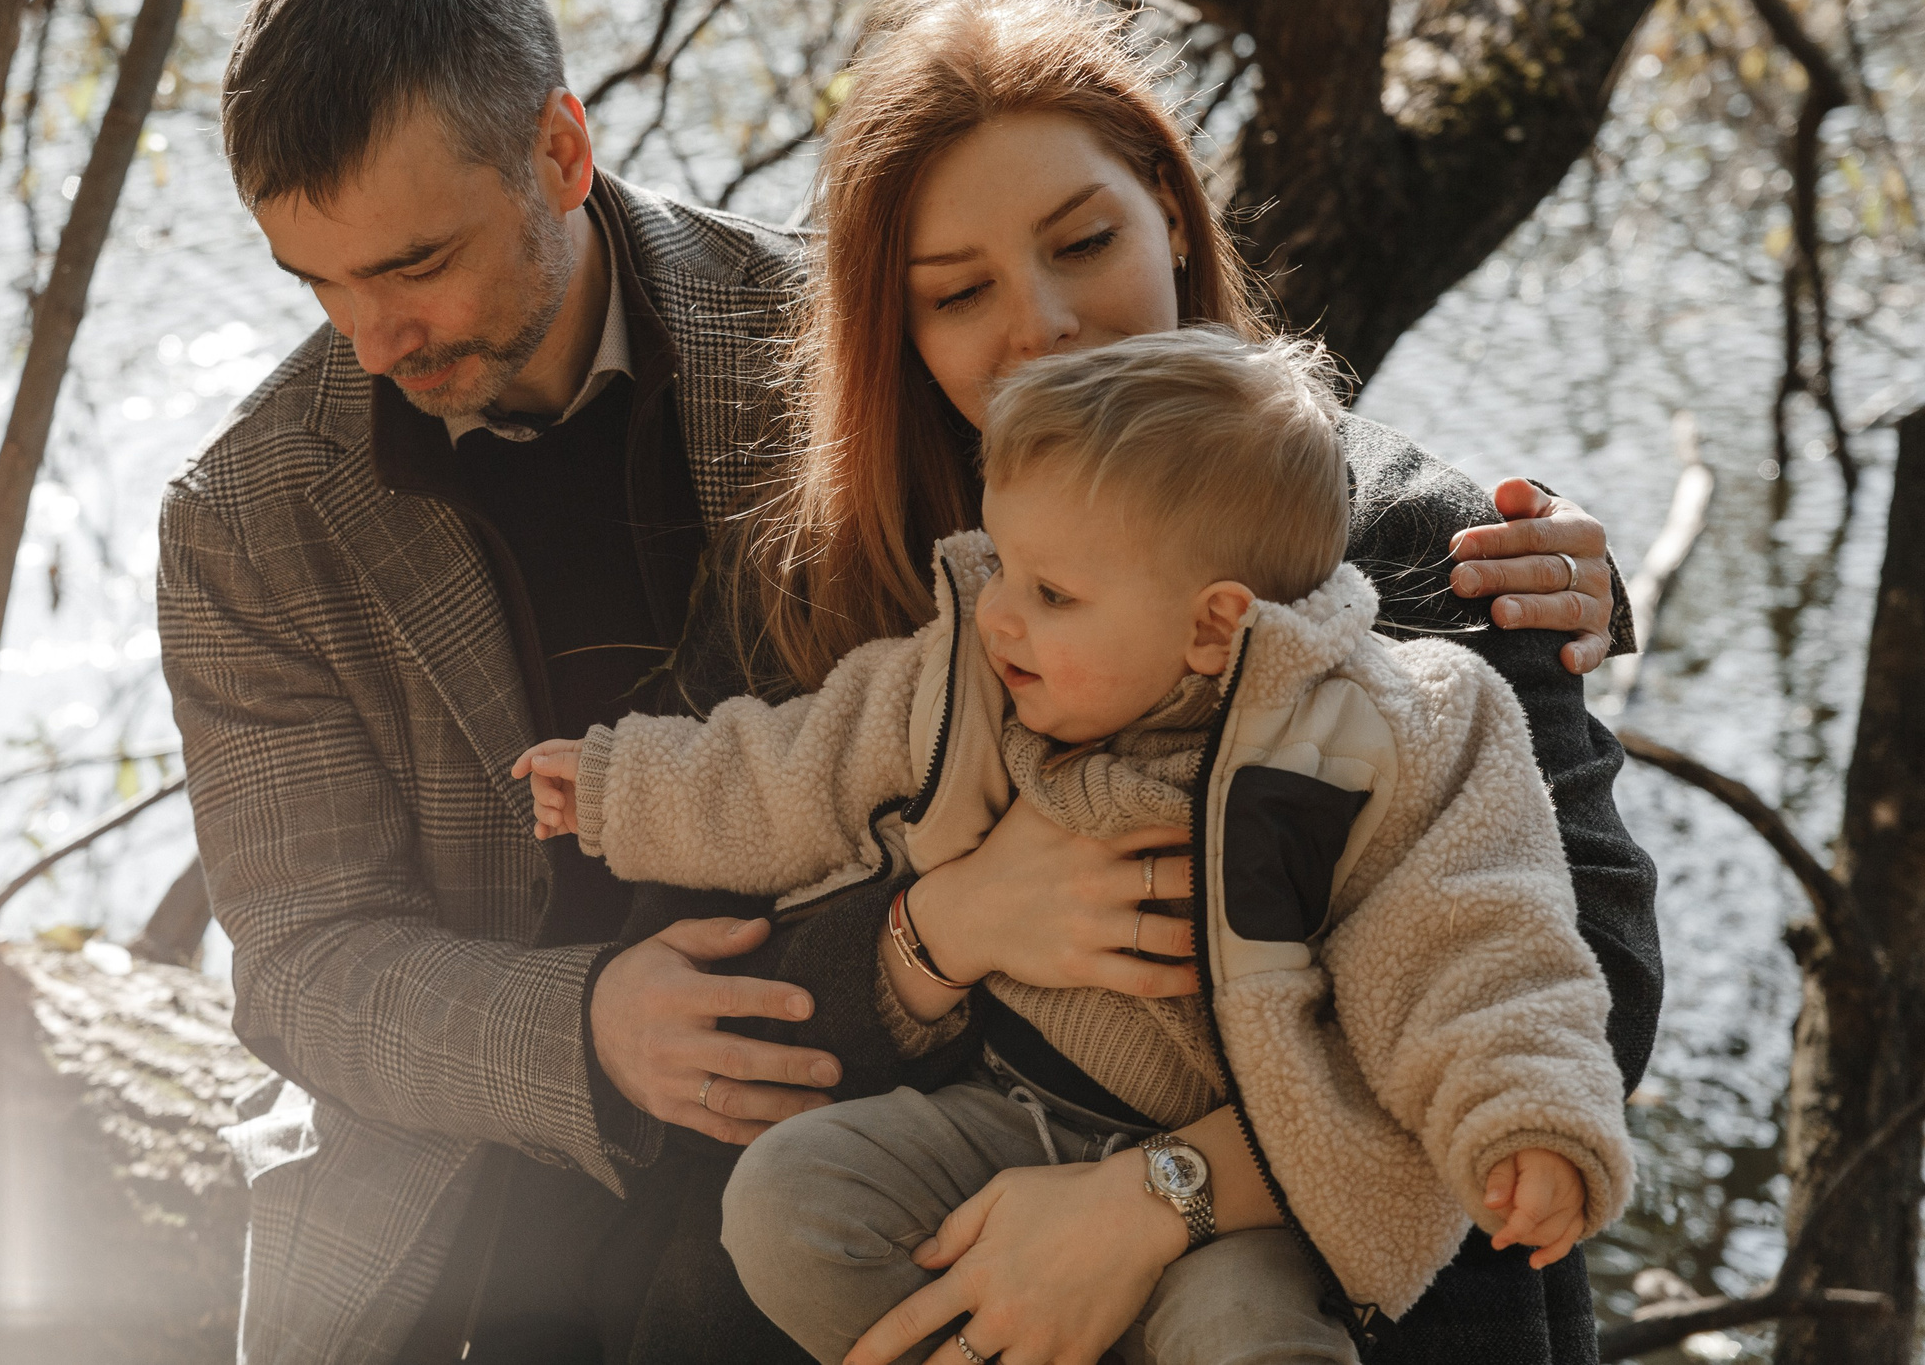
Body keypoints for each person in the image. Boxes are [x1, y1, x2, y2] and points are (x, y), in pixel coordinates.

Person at [160, 0, 1638, 1365]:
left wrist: (1158, 1192)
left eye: (414, 263)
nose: (371, 337)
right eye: (319, 286)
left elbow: (1568, 974)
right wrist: (668, 1002)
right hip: (549, 1159)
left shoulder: (803, 338)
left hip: (1169, 1199)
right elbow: (303, 957)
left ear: (559, 152)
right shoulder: (253, 519)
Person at [520, 327, 1636, 1365]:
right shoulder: (972, 679)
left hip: (1244, 1181)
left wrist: (1526, 1119)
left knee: (1249, 1336)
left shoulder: (1394, 732)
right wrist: (624, 783)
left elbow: (1481, 942)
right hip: (1002, 1115)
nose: (998, 610)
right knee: (787, 1202)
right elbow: (793, 767)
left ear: (1211, 625)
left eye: (1051, 592)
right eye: (1004, 563)